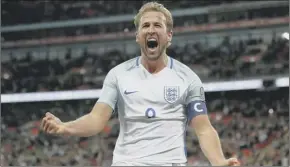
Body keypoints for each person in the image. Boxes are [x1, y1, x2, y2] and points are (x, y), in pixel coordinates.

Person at [41, 2, 240, 166]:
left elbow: (203, 128)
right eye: (145, 26)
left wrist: (218, 161)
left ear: (169, 36)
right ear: (137, 37)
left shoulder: (188, 78)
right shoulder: (118, 75)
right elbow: (97, 119)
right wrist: (65, 127)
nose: (151, 30)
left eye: (157, 25)